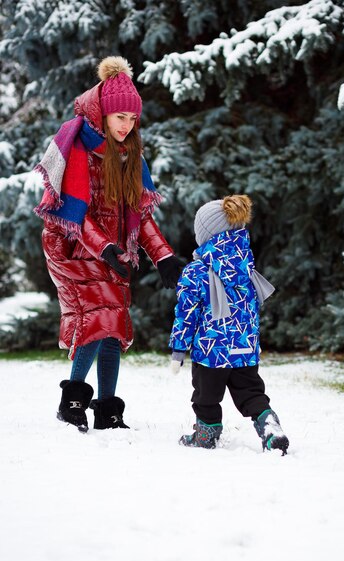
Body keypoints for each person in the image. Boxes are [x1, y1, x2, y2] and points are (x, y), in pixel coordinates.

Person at [34, 56, 182, 433]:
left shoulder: (130, 156)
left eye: (133, 120)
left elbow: (141, 214)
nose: (127, 126)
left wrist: (163, 256)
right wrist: (106, 249)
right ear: (103, 113)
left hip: (115, 253)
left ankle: (107, 413)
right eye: (121, 118)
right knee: (100, 321)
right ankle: (71, 404)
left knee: (113, 328)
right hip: (76, 246)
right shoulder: (79, 148)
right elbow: (74, 214)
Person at [169, 194, 289, 454]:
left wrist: (179, 349)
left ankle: (206, 434)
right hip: (244, 349)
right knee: (251, 392)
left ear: (206, 235)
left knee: (205, 396)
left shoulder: (196, 271)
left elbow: (186, 314)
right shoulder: (246, 268)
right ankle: (269, 425)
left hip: (211, 353)